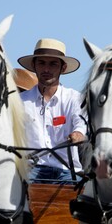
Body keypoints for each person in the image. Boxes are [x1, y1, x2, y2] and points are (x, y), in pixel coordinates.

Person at [17, 38, 87, 182]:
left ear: (63, 68)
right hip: (31, 170)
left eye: (53, 64)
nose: (46, 69)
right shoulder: (20, 101)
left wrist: (79, 134)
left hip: (66, 170)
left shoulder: (74, 98)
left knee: (84, 197)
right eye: (41, 63)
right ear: (34, 65)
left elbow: (80, 122)